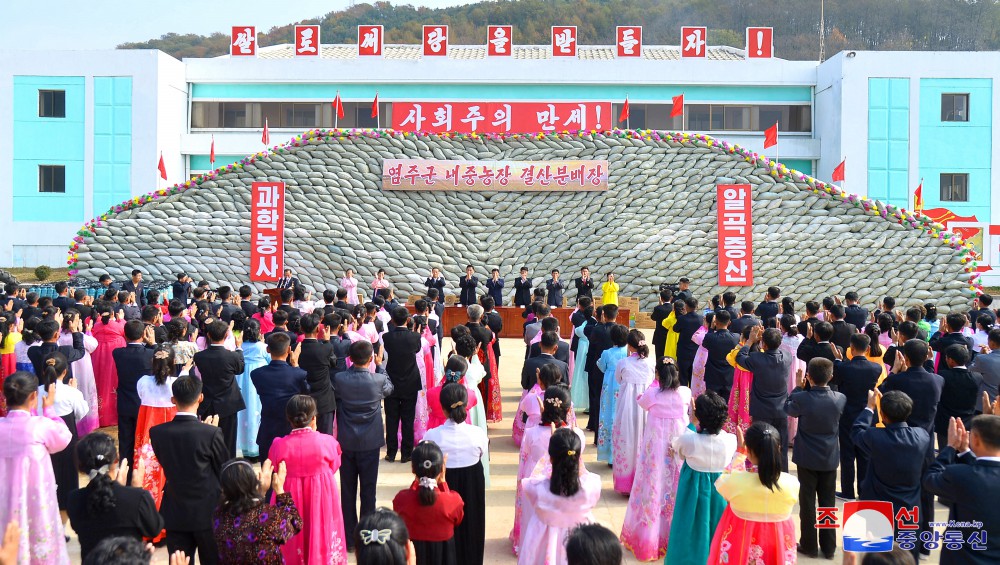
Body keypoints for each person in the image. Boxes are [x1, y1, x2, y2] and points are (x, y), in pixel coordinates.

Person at [150, 375, 230, 564]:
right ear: (200, 397)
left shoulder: (157, 433)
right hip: (208, 512)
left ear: (173, 400)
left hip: (175, 511)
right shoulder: (210, 433)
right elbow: (225, 469)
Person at [619, 359, 690, 560]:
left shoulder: (652, 394)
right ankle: (673, 537)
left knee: (652, 486)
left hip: (655, 448)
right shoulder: (685, 393)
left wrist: (653, 384)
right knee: (675, 485)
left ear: (658, 375)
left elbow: (641, 401)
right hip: (676, 447)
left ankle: (650, 539)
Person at [0, 371, 72, 564]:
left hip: (4, 499)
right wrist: (49, 410)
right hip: (36, 498)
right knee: (40, 536)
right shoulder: (40, 426)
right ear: (34, 396)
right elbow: (64, 438)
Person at [268, 395, 348, 564]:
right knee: (321, 535)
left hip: (289, 498)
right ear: (314, 418)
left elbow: (275, 467)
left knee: (290, 544)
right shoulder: (328, 443)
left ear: (289, 419)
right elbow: (334, 466)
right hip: (321, 499)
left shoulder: (278, 445)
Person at [852, 389, 930, 561]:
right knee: (908, 555)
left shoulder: (875, 436)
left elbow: (857, 432)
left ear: (883, 415)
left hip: (878, 508)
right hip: (909, 509)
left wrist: (868, 408)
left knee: (878, 556)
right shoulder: (922, 436)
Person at [706, 421, 799, 564]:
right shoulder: (792, 484)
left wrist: (739, 454)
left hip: (740, 550)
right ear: (778, 448)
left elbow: (723, 480)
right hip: (776, 548)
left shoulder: (735, 482)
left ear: (748, 450)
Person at [878, 339, 943, 541]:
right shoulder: (938, 380)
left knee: (898, 493)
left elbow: (881, 392)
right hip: (925, 445)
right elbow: (930, 376)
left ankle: (898, 534)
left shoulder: (898, 380)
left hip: (900, 443)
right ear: (927, 357)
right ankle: (925, 539)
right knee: (926, 495)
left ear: (904, 357)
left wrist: (895, 371)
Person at [332, 340, 393, 551]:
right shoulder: (377, 379)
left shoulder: (340, 378)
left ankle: (349, 540)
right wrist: (381, 366)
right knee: (369, 491)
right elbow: (389, 389)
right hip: (369, 442)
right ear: (370, 359)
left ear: (350, 358)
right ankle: (367, 537)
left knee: (348, 491)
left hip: (347, 440)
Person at [664, 391, 738, 565]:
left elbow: (678, 446)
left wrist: (692, 422)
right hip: (719, 489)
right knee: (717, 527)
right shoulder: (730, 440)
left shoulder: (690, 441)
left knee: (688, 527)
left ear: (699, 416)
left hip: (692, 491)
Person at [67, 432, 163, 561]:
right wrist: (137, 491)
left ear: (80, 466)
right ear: (116, 459)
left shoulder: (74, 499)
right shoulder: (136, 497)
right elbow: (154, 529)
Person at [784, 358, 846, 559]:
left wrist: (796, 388)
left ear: (808, 376)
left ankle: (809, 544)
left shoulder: (802, 398)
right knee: (828, 502)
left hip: (806, 457)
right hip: (828, 456)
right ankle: (828, 547)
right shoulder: (839, 398)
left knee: (808, 502)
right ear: (831, 376)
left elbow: (788, 408)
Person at [423, 383, 489, 565]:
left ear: (443, 410)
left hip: (444, 482)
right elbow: (483, 452)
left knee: (444, 526)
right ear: (466, 406)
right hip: (472, 481)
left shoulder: (432, 435)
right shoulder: (477, 433)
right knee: (473, 525)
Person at [510, 385, 580, 554]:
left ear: (543, 406)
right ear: (569, 409)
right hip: (567, 483)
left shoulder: (531, 433)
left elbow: (524, 461)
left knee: (533, 519)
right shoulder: (577, 436)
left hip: (535, 481)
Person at [517, 427, 603, 565]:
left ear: (550, 458)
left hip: (542, 547)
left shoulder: (536, 488)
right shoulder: (591, 486)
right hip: (582, 545)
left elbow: (534, 478)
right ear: (578, 457)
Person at [923, 413, 1000, 564]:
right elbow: (985, 471)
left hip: (961, 558)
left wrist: (950, 447)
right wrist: (965, 452)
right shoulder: (965, 474)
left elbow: (930, 480)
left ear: (976, 439)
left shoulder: (959, 475)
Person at [135, 345, 189, 536]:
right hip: (172, 430)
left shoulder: (142, 382)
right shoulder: (178, 382)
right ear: (173, 362)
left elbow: (142, 396)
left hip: (149, 430)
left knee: (148, 471)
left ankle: (148, 523)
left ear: (152, 362)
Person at [35, 352, 89, 530]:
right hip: (67, 440)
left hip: (43, 440)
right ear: (65, 372)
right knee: (68, 476)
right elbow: (81, 413)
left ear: (44, 371)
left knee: (47, 474)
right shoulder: (70, 392)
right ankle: (65, 515)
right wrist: (75, 390)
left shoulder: (37, 392)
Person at [212, 458, 302, 565]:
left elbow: (246, 513)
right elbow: (295, 523)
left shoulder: (219, 516)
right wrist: (279, 489)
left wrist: (261, 492)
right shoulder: (267, 517)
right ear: (252, 483)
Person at [393, 440, 464, 565]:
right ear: (442, 468)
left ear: (413, 469)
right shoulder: (453, 500)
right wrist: (443, 483)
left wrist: (416, 483)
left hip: (415, 555)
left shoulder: (401, 499)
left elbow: (403, 509)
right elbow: (457, 519)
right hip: (445, 557)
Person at [834, 333, 884, 501]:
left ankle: (847, 491)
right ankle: (863, 491)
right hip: (867, 413)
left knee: (847, 453)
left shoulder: (843, 367)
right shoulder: (876, 368)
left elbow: (838, 379)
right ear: (868, 348)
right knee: (864, 454)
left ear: (851, 348)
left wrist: (838, 361)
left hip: (847, 413)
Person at [737, 326, 793, 471]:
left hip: (761, 411)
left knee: (761, 446)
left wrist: (749, 341)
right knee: (782, 447)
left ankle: (762, 475)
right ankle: (783, 475)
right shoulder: (786, 356)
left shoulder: (757, 359)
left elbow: (740, 357)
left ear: (764, 344)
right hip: (781, 410)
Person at [611, 329, 659, 494]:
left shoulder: (623, 363)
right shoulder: (652, 363)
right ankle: (643, 483)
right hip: (646, 407)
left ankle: (626, 484)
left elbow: (618, 379)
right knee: (643, 440)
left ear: (629, 346)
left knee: (627, 441)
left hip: (627, 407)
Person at [251, 333, 308, 461]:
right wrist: (296, 365)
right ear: (289, 350)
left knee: (268, 471)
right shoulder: (299, 374)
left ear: (267, 349)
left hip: (267, 429)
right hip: (291, 429)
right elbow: (307, 393)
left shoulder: (257, 374)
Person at [193, 320, 246, 458]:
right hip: (228, 403)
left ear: (208, 335)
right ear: (227, 334)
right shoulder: (232, 355)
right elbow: (240, 369)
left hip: (208, 403)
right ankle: (228, 470)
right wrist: (239, 348)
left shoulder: (200, 356)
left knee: (209, 440)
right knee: (228, 441)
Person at [112, 320, 157, 479]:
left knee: (125, 440)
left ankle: (125, 474)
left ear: (125, 335)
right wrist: (152, 343)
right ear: (143, 335)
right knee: (144, 441)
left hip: (124, 402)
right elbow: (159, 356)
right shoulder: (150, 353)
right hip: (143, 404)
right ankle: (142, 473)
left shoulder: (118, 353)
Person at [383, 306, 422, 462]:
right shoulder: (415, 337)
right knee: (408, 418)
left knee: (391, 418)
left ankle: (391, 452)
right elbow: (417, 350)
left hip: (391, 381)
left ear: (392, 320)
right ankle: (406, 453)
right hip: (410, 381)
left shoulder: (386, 337)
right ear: (408, 320)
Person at [56, 310, 100, 435]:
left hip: (66, 370)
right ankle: (86, 425)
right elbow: (93, 345)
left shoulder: (59, 336)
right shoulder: (80, 337)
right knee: (85, 392)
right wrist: (84, 331)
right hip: (83, 368)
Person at [297, 314, 337, 435]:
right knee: (325, 435)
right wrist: (327, 341)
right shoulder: (326, 348)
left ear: (302, 329)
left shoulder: (296, 348)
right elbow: (333, 363)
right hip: (324, 400)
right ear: (318, 329)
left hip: (303, 399)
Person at [935, 344, 980, 450]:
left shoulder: (942, 376)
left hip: (945, 424)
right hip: (967, 425)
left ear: (951, 360)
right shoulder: (977, 377)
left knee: (945, 455)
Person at [596, 324, 629, 463]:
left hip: (609, 387)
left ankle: (609, 455)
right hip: (624, 387)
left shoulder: (607, 353)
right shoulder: (628, 352)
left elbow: (601, 366)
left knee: (608, 415)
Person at [236, 319, 268, 460]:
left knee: (244, 413)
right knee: (257, 411)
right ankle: (256, 447)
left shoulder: (240, 346)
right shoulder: (262, 347)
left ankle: (245, 446)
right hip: (259, 381)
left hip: (242, 380)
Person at [702, 310, 740, 400]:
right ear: (729, 322)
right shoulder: (736, 337)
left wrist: (711, 329)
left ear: (716, 322)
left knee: (712, 403)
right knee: (728, 403)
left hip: (712, 376)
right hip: (729, 376)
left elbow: (704, 344)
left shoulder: (710, 337)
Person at [571, 303, 596, 411]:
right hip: (589, 350)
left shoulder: (582, 327)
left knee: (581, 374)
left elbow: (578, 331)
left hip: (582, 350)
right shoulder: (594, 326)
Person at [675, 297, 704, 387]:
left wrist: (682, 316)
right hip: (696, 351)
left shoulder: (682, 319)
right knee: (694, 376)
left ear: (686, 306)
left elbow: (675, 329)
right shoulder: (701, 318)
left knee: (682, 375)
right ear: (697, 306)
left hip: (683, 351)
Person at [970, 328, 1000, 411]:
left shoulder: (983, 359)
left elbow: (970, 370)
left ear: (992, 343)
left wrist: (980, 354)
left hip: (985, 404)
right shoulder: (984, 359)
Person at [650, 289, 673, 362]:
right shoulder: (673, 309)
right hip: (670, 336)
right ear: (671, 298)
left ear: (661, 298)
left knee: (659, 356)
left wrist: (660, 305)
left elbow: (653, 317)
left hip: (659, 336)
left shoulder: (658, 308)